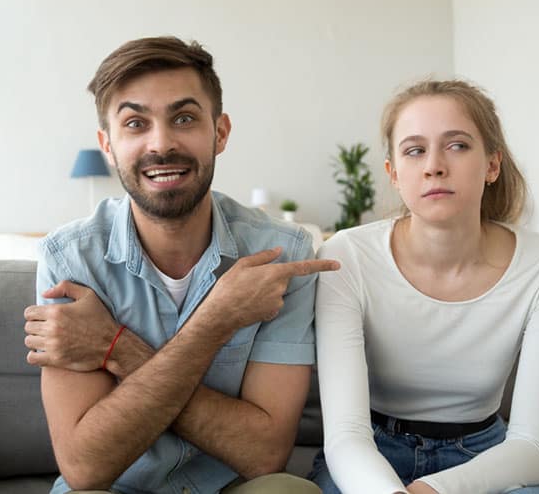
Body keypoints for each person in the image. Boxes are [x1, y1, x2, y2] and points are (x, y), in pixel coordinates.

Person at [22, 36, 338, 494]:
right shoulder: (69, 259)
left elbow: (265, 454)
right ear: (107, 145)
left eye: (184, 118)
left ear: (220, 132)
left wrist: (116, 348)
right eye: (135, 123)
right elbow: (86, 469)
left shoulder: (282, 253)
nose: (161, 144)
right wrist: (216, 321)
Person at [308, 80, 539, 494]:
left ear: (492, 165)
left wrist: (431, 491)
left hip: (484, 457)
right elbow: (346, 436)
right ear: (394, 174)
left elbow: (532, 446)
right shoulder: (346, 255)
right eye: (415, 150)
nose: (434, 165)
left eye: (457, 145)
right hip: (370, 456)